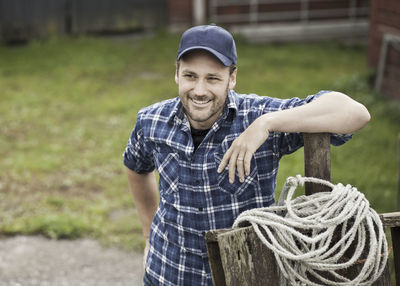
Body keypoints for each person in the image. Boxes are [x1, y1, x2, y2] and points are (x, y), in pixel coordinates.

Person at [123, 24, 370, 286]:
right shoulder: (151, 121)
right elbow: (135, 166)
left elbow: (354, 114)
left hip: (244, 275)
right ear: (176, 74)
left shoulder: (258, 116)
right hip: (168, 273)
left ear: (232, 78)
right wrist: (150, 235)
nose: (199, 90)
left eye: (213, 78)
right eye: (190, 76)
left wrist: (265, 124)